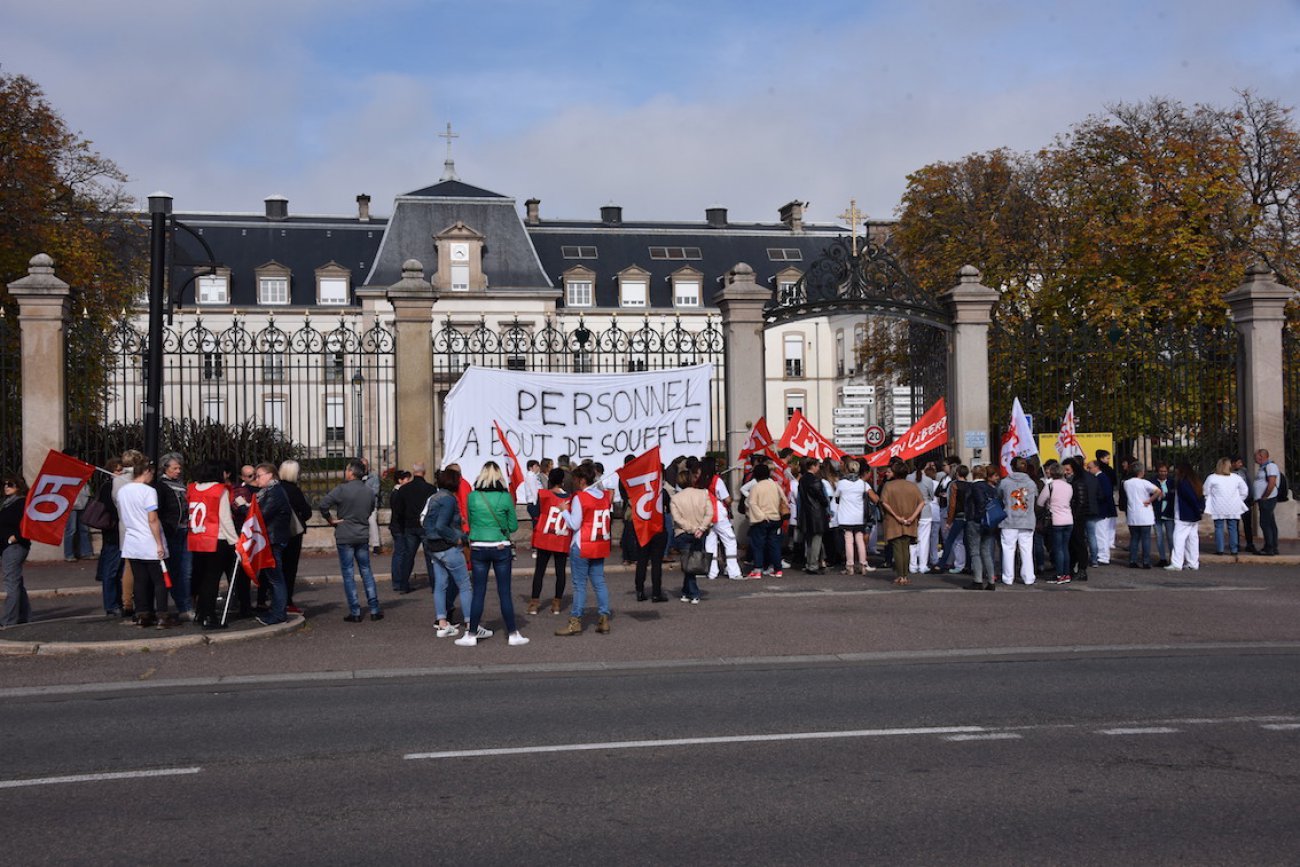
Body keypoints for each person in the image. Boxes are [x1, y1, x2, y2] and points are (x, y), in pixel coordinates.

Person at [457, 461, 528, 647]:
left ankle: (471, 633)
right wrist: (500, 525)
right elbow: (513, 526)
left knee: (478, 591)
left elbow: (471, 523)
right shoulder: (505, 497)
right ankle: (512, 633)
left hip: (479, 546)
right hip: (500, 546)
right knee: (504, 592)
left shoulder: (472, 497)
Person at [319, 459, 383, 623]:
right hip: (361, 533)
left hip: (345, 533)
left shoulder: (341, 489)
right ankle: (374, 608)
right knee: (366, 571)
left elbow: (323, 504)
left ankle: (355, 611)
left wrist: (330, 520)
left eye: (347, 470)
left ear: (351, 472)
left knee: (348, 573)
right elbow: (369, 510)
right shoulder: (369, 491)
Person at [556, 463, 615, 632]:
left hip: (582, 544)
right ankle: (604, 618)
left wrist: (563, 511)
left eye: (575, 479)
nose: (573, 482)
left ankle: (575, 621)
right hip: (599, 543)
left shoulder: (580, 497)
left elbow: (574, 524)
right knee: (599, 582)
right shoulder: (603, 496)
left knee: (579, 585)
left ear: (581, 480)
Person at [118, 461, 172, 628]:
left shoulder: (122, 491)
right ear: (147, 471)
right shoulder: (149, 491)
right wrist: (159, 544)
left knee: (140, 580)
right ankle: (162, 615)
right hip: (149, 540)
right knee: (159, 581)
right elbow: (152, 519)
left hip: (132, 541)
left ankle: (142, 614)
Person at [421, 467, 474, 639]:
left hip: (433, 547)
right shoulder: (449, 500)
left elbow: (430, 522)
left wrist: (457, 520)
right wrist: (457, 537)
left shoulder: (435, 497)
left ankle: (442, 622)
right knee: (465, 585)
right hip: (447, 546)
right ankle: (470, 623)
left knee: (440, 585)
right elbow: (441, 526)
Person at [187, 461, 237, 629]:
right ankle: (209, 615)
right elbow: (225, 518)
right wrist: (235, 541)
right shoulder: (219, 490)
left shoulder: (192, 488)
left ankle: (201, 612)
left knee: (201, 577)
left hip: (197, 536)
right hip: (216, 538)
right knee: (211, 579)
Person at [251, 462, 292, 625]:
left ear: (270, 475)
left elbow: (261, 515)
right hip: (272, 538)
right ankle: (276, 611)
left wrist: (242, 508)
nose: (257, 479)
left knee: (275, 578)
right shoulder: (269, 492)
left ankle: (278, 613)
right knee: (273, 578)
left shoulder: (274, 493)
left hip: (273, 539)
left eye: (259, 475)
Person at [528, 468, 572, 614]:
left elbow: (534, 512)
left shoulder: (544, 495)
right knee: (560, 571)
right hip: (562, 537)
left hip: (545, 537)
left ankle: (534, 603)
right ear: (562, 481)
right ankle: (557, 604)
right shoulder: (570, 498)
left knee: (539, 570)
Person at [156, 453, 194, 620]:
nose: (178, 471)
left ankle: (185, 605)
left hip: (186, 530)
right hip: (173, 531)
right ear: (166, 469)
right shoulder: (161, 486)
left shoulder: (181, 485)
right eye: (175, 468)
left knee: (186, 571)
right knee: (176, 570)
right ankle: (182, 605)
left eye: (180, 468)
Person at [670, 465, 714, 603]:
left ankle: (693, 593)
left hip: (684, 533)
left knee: (688, 563)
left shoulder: (676, 498)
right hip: (700, 532)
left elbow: (677, 519)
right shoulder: (703, 494)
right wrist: (700, 528)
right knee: (692, 562)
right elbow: (710, 513)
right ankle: (687, 591)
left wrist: (692, 528)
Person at [389, 462, 435, 594]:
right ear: (424, 472)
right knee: (430, 557)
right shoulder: (431, 489)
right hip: (425, 525)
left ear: (414, 473)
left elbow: (398, 509)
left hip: (409, 526)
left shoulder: (404, 489)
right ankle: (434, 585)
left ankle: (403, 584)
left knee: (408, 556)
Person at [879, 459, 924, 585]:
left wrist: (896, 516)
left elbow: (884, 502)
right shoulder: (912, 486)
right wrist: (913, 517)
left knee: (898, 548)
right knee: (906, 548)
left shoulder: (889, 486)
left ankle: (900, 576)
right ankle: (905, 575)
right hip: (910, 520)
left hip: (895, 521)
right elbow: (921, 503)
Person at [93, 458, 127, 617]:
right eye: (117, 470)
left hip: (118, 533)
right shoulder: (109, 487)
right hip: (113, 534)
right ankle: (111, 604)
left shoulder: (117, 486)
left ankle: (118, 602)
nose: (120, 473)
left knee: (119, 571)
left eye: (122, 470)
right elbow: (112, 509)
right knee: (111, 571)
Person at [277, 459, 312, 614]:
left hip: (275, 533)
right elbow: (307, 512)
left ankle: (273, 600)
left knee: (276, 568)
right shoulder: (294, 490)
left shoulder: (275, 488)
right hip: (292, 534)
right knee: (289, 569)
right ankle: (287, 601)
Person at [997, 457, 1037, 586]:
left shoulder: (1005, 482)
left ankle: (1008, 577)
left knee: (1008, 549)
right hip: (1026, 519)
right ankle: (1028, 577)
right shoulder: (1031, 483)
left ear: (1012, 467)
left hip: (1009, 520)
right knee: (1026, 550)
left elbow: (998, 496)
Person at [701, 457, 743, 580]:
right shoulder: (716, 480)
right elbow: (727, 499)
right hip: (718, 514)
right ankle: (733, 571)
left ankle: (711, 571)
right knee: (730, 541)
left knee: (711, 542)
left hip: (706, 514)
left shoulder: (700, 481)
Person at [744, 463, 786, 578]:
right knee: (774, 545)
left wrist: (761, 516)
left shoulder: (756, 487)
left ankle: (758, 569)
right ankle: (777, 569)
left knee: (758, 545)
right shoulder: (775, 485)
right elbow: (784, 499)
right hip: (776, 518)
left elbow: (751, 503)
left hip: (761, 520)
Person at [1, 474, 32, 626]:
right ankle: (23, 615)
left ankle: (8, 620)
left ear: (18, 486)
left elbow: (28, 524)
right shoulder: (8, 503)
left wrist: (14, 538)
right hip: (8, 547)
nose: (6, 487)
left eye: (10, 484)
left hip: (14, 547)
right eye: (5, 484)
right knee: (17, 581)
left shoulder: (21, 503)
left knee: (11, 583)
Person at [633, 482, 672, 602]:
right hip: (658, 529)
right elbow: (668, 509)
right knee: (656, 563)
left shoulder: (640, 491)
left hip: (644, 529)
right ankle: (656, 592)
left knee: (642, 561)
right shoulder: (663, 493)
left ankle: (639, 591)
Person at [962, 465, 998, 590]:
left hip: (976, 521)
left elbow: (980, 502)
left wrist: (977, 517)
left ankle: (977, 580)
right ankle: (991, 580)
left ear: (973, 474)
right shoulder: (991, 487)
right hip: (990, 522)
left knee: (975, 551)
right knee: (986, 551)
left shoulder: (974, 487)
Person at [1037, 463, 1074, 584]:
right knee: (1065, 547)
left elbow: (1040, 502)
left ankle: (1059, 574)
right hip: (1068, 519)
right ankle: (1066, 573)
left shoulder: (1050, 486)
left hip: (1056, 519)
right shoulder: (1068, 486)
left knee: (1058, 548)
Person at [1204, 457, 1249, 555]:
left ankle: (1220, 549)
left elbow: (1206, 491)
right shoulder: (1236, 477)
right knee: (1233, 527)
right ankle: (1234, 549)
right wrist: (1239, 499)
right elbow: (1244, 491)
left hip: (1218, 505)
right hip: (1233, 506)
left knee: (1219, 527)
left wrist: (1209, 499)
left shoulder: (1212, 477)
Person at [1166, 462, 1206, 571]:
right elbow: (1200, 497)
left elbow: (1189, 498)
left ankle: (1177, 563)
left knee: (1179, 538)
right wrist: (1199, 510)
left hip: (1184, 514)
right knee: (1192, 539)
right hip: (1193, 515)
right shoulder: (1195, 482)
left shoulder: (1182, 482)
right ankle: (1193, 562)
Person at [1122, 462, 1162, 569]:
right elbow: (1158, 491)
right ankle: (1146, 561)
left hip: (1132, 514)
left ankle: (1132, 560)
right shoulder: (1144, 483)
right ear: (1141, 472)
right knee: (1146, 538)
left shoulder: (1126, 483)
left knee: (1134, 538)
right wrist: (1149, 500)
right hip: (1144, 513)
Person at [797, 457, 830, 574]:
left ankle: (809, 563)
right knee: (817, 539)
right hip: (816, 513)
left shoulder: (802, 480)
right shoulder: (815, 480)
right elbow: (822, 497)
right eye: (817, 466)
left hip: (805, 512)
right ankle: (813, 565)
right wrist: (826, 504)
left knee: (809, 540)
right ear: (814, 466)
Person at [1253, 449, 1280, 556]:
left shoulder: (1270, 466)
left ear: (1261, 456)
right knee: (1270, 522)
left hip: (1268, 499)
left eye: (1256, 456)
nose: (1255, 458)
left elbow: (1272, 482)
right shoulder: (1263, 467)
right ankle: (1272, 546)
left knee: (1265, 523)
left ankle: (1269, 548)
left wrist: (1265, 496)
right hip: (1264, 499)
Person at [1232, 456, 1258, 554]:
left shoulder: (1244, 471)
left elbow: (1249, 484)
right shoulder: (1229, 472)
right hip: (1234, 501)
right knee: (1235, 524)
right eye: (1239, 462)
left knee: (1247, 524)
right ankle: (1236, 544)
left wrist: (1251, 497)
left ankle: (1250, 544)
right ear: (1233, 463)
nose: (1241, 464)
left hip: (1245, 501)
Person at [1152, 463, 1175, 567]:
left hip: (1169, 512)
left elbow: (1173, 495)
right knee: (1159, 537)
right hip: (1157, 512)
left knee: (1171, 537)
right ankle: (1162, 558)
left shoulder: (1172, 481)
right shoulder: (1152, 481)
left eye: (1165, 471)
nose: (1163, 473)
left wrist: (1165, 495)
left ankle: (1173, 558)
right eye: (1161, 471)